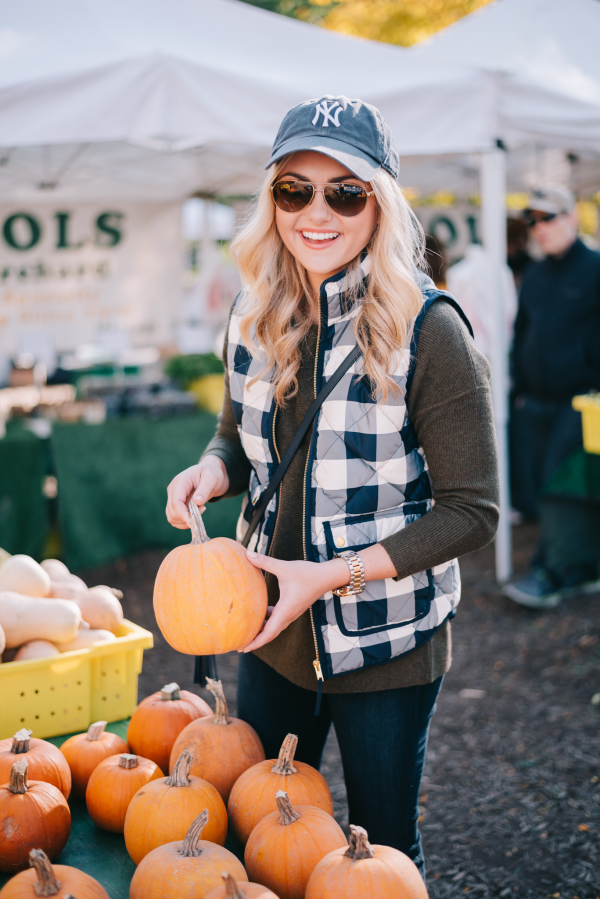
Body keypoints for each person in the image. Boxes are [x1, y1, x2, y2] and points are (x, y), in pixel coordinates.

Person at [166, 96, 499, 876]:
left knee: (378, 848)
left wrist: (333, 575)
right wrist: (213, 467)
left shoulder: (429, 329)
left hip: (386, 638)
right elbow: (238, 437)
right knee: (266, 835)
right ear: (271, 199)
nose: (317, 212)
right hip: (268, 628)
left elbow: (472, 509)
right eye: (295, 189)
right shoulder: (251, 313)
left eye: (344, 192)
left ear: (379, 202)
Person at [505, 185, 600, 608]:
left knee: (559, 483)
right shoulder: (536, 275)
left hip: (582, 402)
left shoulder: (595, 268)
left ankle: (555, 572)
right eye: (533, 220)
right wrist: (518, 390)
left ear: (571, 218)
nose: (539, 228)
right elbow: (521, 332)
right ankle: (579, 566)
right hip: (535, 402)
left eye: (548, 218)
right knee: (547, 484)